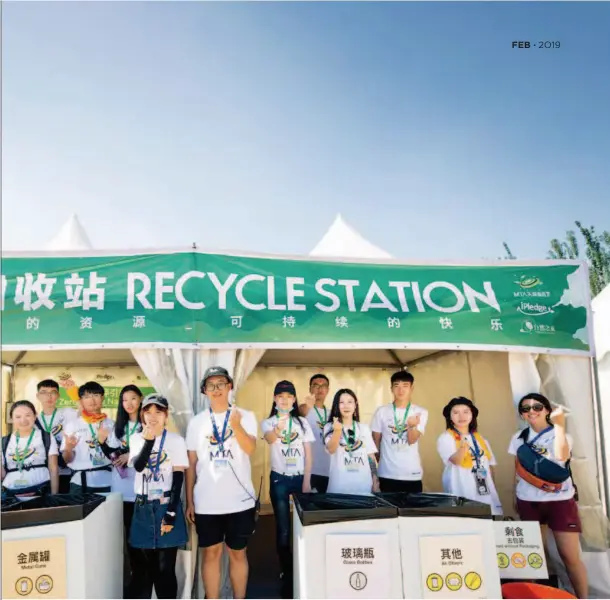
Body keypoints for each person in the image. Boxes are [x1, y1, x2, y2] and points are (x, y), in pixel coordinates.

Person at [186, 366, 258, 600]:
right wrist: (190, 501)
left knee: (238, 553)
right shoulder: (196, 422)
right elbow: (192, 464)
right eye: (210, 385)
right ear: (204, 391)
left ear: (230, 387)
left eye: (220, 384)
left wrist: (236, 425)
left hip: (240, 501)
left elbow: (250, 449)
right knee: (211, 554)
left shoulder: (246, 416)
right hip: (207, 501)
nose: (216, 389)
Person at [509, 393, 587, 599]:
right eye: (526, 409)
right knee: (531, 557)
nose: (531, 411)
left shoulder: (560, 434)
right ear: (521, 415)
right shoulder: (518, 437)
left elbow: (562, 456)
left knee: (570, 557)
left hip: (560, 501)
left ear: (546, 410)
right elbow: (517, 468)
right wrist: (513, 495)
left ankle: (583, 597)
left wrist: (560, 427)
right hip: (528, 500)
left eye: (537, 407)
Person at [128, 394, 188, 599]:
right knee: (148, 569)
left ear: (166, 415)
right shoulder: (136, 439)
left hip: (165, 505)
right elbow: (138, 466)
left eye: (158, 411)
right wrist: (148, 441)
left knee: (166, 569)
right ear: (142, 415)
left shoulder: (176, 440)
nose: (152, 416)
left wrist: (171, 511)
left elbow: (178, 477)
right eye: (148, 411)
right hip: (143, 506)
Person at [262, 380, 314, 598]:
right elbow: (269, 438)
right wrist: (278, 427)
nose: (284, 400)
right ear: (275, 399)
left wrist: (307, 481)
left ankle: (304, 566)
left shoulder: (302, 422)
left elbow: (309, 453)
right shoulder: (268, 422)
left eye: (289, 397)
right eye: (280, 396)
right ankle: (286, 568)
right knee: (283, 527)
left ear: (294, 400)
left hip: (299, 478)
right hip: (279, 480)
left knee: (304, 525)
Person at [97, 385, 144, 600]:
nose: (129, 403)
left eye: (133, 398)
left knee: (141, 536)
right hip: (121, 490)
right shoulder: (117, 427)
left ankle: (145, 578)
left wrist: (131, 456)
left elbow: (154, 450)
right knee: (127, 538)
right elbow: (113, 456)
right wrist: (102, 443)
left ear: (140, 399)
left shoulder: (147, 424)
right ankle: (135, 578)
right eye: (125, 400)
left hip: (143, 490)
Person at [436, 397, 502, 514]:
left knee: (490, 520)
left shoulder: (480, 438)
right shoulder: (446, 437)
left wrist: (491, 488)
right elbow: (456, 461)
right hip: (461, 488)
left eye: (466, 412)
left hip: (483, 488)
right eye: (456, 413)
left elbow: (490, 466)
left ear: (472, 415)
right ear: (449, 417)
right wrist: (463, 448)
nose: (461, 416)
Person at [371, 370, 428, 494]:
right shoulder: (382, 411)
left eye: (405, 386)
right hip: (386, 474)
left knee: (411, 512)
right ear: (391, 388)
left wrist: (412, 426)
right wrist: (381, 459)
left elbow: (412, 440)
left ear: (412, 388)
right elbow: (375, 440)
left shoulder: (420, 412)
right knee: (387, 511)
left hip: (412, 474)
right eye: (396, 386)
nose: (400, 390)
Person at [61, 381, 114, 493]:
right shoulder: (72, 425)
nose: (92, 400)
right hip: (80, 483)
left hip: (109, 482)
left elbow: (118, 456)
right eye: (86, 397)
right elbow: (66, 460)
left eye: (96, 395)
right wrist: (69, 448)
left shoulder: (112, 424)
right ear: (81, 401)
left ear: (102, 398)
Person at [324, 389, 379, 495]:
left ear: (355, 405)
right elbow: (331, 449)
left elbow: (370, 456)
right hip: (338, 488)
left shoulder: (363, 428)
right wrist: (337, 431)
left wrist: (375, 479)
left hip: (363, 487)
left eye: (350, 402)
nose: (346, 406)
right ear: (336, 405)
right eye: (341, 402)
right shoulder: (329, 427)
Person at [2, 400, 59, 497]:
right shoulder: (3, 441)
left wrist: (54, 496)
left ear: (35, 416)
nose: (23, 420)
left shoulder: (46, 437)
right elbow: (2, 474)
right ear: (11, 419)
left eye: (28, 415)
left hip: (41, 490)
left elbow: (53, 469)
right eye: (18, 417)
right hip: (12, 494)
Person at [35, 379, 78, 494]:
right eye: (44, 392)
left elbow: (84, 410)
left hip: (66, 471)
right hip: (42, 475)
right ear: (38, 396)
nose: (49, 396)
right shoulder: (34, 421)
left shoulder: (68, 413)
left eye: (53, 392)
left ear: (58, 395)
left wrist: (73, 391)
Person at [298, 374, 331, 493]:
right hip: (309, 470)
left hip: (329, 469)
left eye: (323, 386)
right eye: (316, 385)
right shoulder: (303, 409)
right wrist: (308, 405)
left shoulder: (332, 413)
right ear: (310, 389)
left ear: (328, 390)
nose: (320, 388)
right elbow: (300, 414)